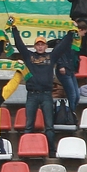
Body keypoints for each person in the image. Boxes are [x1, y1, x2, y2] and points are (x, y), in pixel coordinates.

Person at [12, 26, 75, 157]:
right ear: (35, 46)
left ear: (46, 46)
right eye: (38, 45)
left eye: (42, 44)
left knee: (49, 125)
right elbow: (19, 44)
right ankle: (26, 150)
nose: (40, 47)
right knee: (29, 125)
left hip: (46, 94)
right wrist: (14, 29)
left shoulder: (51, 56)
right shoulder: (28, 56)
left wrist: (70, 33)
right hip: (32, 94)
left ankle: (51, 151)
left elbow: (62, 46)